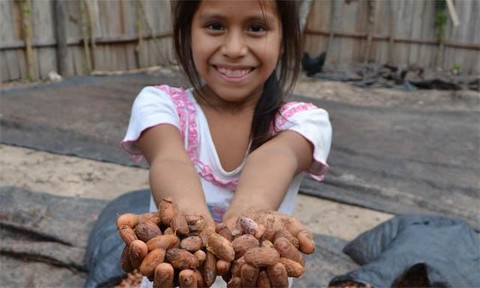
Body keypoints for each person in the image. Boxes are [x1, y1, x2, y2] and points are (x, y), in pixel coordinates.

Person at [121, 0, 332, 286]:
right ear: (187, 33)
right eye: (215, 26)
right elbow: (168, 159)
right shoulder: (159, 104)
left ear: (284, 39)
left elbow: (277, 156)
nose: (234, 49)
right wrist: (190, 220)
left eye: (256, 28)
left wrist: (250, 214)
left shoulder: (306, 122)